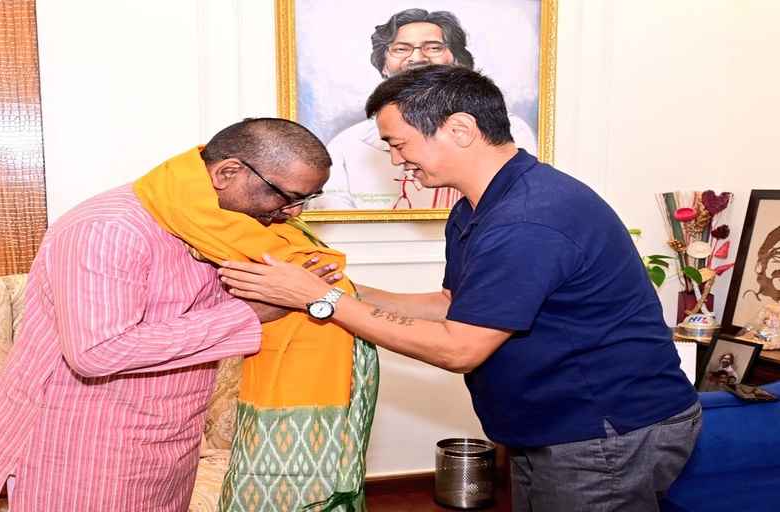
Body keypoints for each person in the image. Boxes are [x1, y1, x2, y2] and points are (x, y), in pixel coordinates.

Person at [219, 65, 702, 511]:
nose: (396, 159)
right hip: (554, 426)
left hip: (605, 431)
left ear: (460, 129)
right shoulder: (476, 206)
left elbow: (460, 348)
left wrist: (320, 299)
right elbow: (454, 304)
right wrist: (339, 287)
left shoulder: (529, 218)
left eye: (399, 143)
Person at [0, 118, 341, 511]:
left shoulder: (220, 228)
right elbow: (97, 351)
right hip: (82, 448)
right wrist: (248, 314)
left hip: (170, 442)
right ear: (227, 173)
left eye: (305, 200)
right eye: (285, 196)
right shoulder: (110, 228)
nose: (292, 214)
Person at [311, 8, 536, 211]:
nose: (417, 58)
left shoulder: (508, 130)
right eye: (401, 49)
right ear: (383, 65)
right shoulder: (347, 144)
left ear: (457, 59)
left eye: (434, 47)